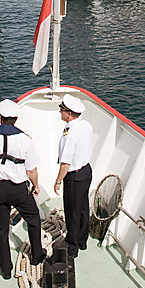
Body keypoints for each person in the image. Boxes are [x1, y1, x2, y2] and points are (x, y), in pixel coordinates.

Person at [0, 99, 46, 279]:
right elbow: (31, 170)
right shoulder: (25, 140)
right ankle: (37, 255)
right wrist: (36, 186)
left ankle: (5, 270)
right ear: (15, 119)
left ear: (0, 117)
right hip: (18, 189)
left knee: (0, 229)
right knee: (33, 218)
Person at [53, 94, 94, 259]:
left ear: (69, 113)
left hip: (74, 177)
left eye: (62, 110)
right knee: (83, 207)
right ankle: (83, 241)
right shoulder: (86, 125)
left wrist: (58, 181)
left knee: (72, 212)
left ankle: (72, 247)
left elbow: (66, 163)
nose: (60, 113)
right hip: (86, 171)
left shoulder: (70, 133)